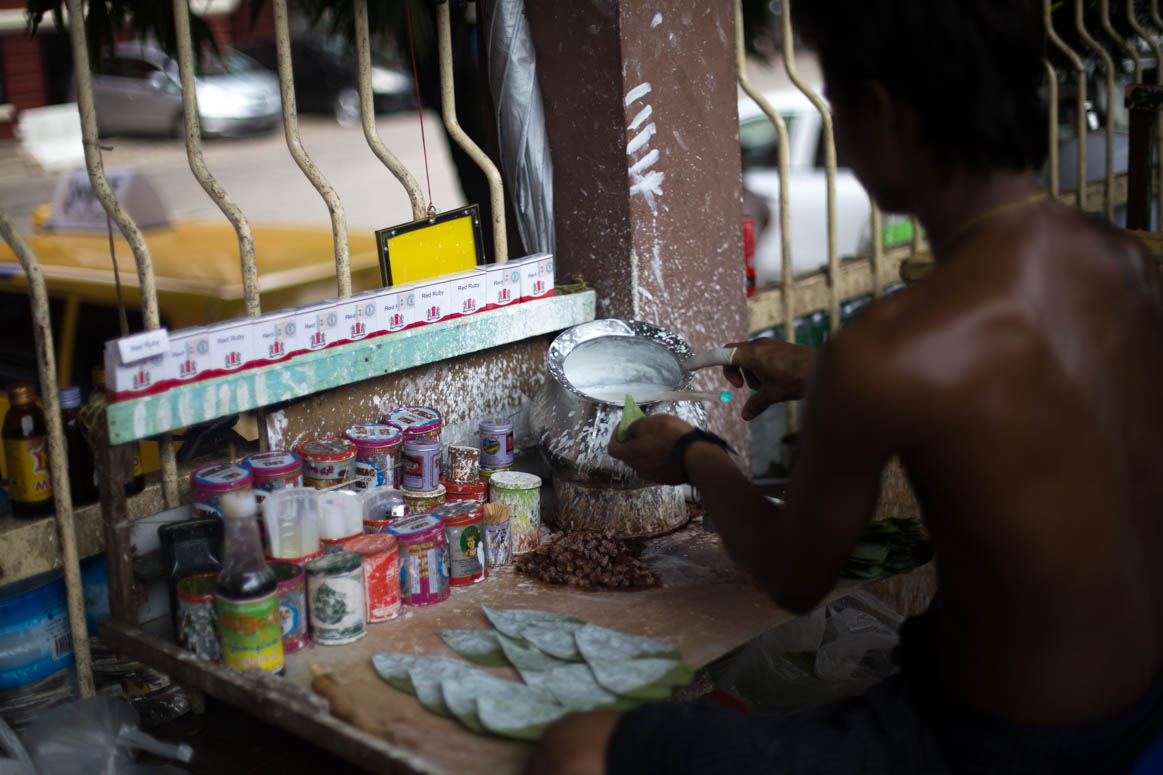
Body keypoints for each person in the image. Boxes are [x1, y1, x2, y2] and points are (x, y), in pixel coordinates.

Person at [525, 1, 1163, 773]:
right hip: (1134, 702)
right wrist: (821, 374)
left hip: (990, 745)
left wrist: (693, 453)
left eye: (838, 111)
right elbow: (1031, 402)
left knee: (575, 747)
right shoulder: (1125, 266)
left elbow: (795, 576)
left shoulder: (892, 348)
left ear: (882, 113)